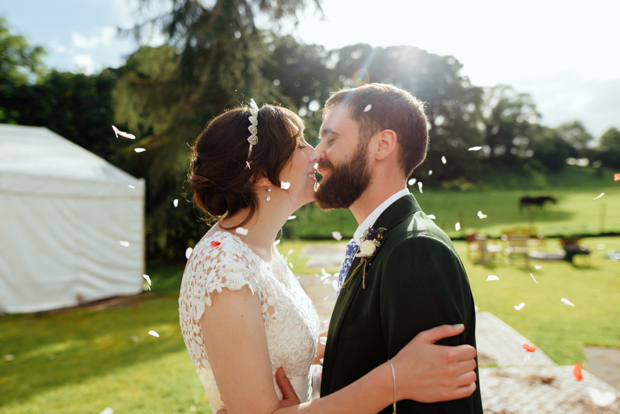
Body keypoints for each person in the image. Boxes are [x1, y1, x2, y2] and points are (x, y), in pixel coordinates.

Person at [178, 99, 478, 414]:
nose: (316, 154)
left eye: (326, 141)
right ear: (261, 174)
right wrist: (394, 379)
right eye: (301, 145)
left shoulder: (261, 252)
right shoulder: (224, 264)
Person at [314, 83, 484, 413]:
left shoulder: (416, 250)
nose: (317, 154)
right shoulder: (381, 240)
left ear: (383, 144)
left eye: (330, 139)